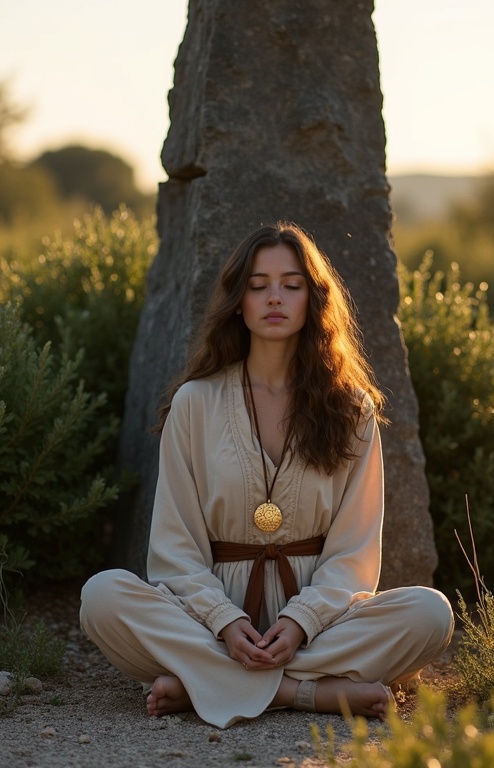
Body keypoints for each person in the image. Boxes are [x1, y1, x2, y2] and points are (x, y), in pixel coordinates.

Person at [80, 221, 454, 729]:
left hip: (318, 622)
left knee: (430, 614)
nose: (273, 297)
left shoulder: (352, 409)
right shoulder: (196, 403)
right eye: (258, 286)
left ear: (313, 300)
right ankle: (305, 692)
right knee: (102, 598)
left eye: (291, 285)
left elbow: (353, 554)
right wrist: (225, 621)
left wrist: (300, 623)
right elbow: (175, 550)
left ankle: (203, 683)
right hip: (210, 619)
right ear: (239, 300)